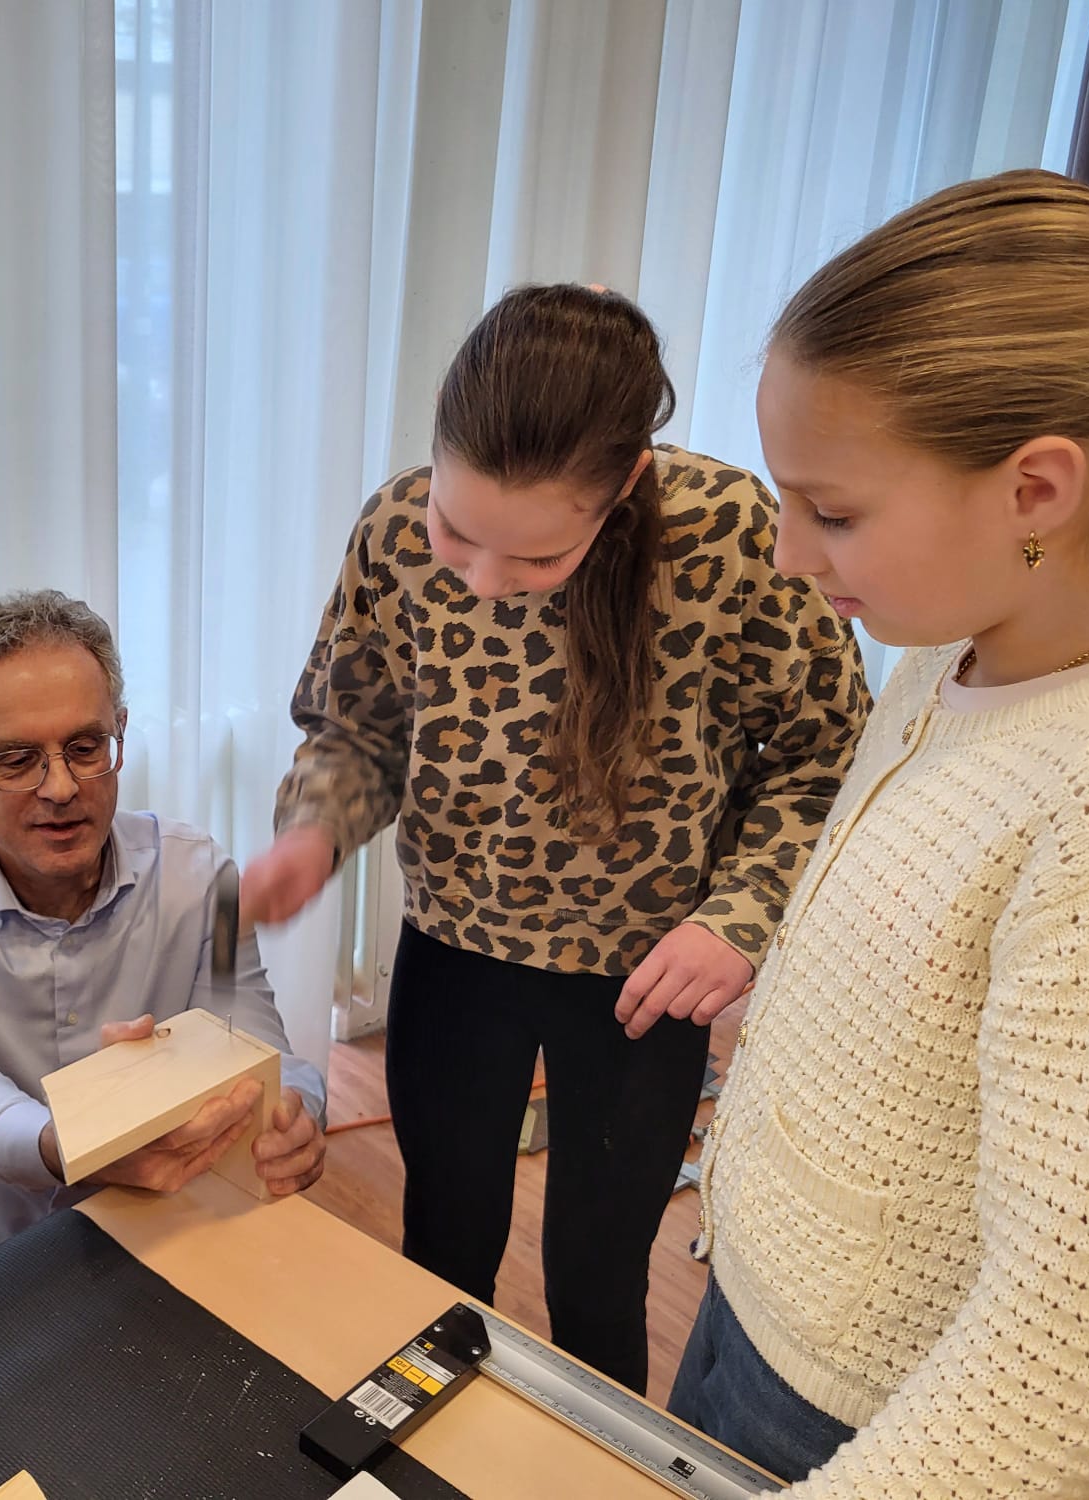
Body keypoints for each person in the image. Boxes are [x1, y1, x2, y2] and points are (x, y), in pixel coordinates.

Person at [242, 285, 871, 1395]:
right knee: (440, 1246)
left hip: (643, 981)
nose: (481, 579)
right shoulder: (391, 530)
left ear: (624, 485)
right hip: (455, 950)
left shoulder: (732, 541)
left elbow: (825, 756)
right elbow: (359, 728)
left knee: (595, 1270)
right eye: (454, 531)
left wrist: (735, 919)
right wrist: (314, 833)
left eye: (532, 561)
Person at [668, 170, 1089, 1497]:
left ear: (1039, 489)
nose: (783, 553)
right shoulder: (947, 647)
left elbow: (1071, 1377)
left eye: (830, 512)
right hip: (760, 1310)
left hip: (883, 1424)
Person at [0, 590, 326, 1335]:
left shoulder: (202, 876)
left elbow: (261, 1047)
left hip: (156, 1212)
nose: (60, 787)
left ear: (119, 733)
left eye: (86, 747)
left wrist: (296, 1116)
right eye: (16, 759)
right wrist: (77, 1144)